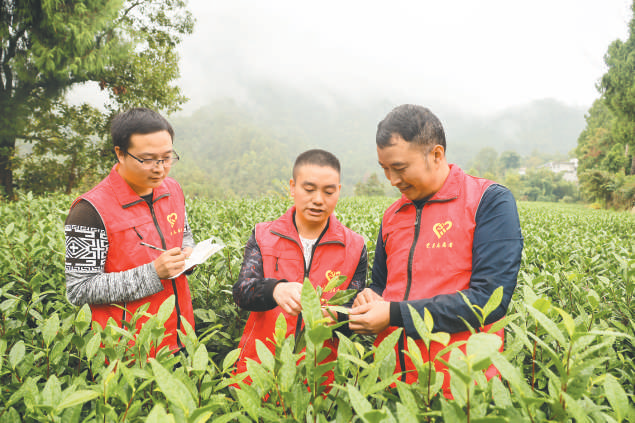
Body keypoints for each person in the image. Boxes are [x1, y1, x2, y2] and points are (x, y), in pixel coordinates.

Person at [348, 104, 523, 396]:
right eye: (385, 169)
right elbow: (382, 286)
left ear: (437, 155)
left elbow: (488, 301)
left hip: (462, 389)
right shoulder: (392, 215)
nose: (392, 180)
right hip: (392, 387)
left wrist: (392, 313)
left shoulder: (489, 202)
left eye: (400, 168)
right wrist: (369, 297)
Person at [64, 107, 195, 355]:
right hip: (126, 352)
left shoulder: (173, 190)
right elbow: (79, 289)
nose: (160, 168)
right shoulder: (89, 211)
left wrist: (190, 254)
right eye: (147, 159)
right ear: (120, 153)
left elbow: (183, 235)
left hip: (181, 338)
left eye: (167, 157)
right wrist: (153, 273)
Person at [233, 149, 367, 383]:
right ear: (293, 187)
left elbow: (353, 314)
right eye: (309, 189)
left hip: (319, 379)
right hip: (261, 372)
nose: (318, 199)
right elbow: (242, 292)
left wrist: (331, 315)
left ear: (339, 191)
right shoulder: (263, 235)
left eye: (328, 191)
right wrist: (274, 289)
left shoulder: (355, 246)